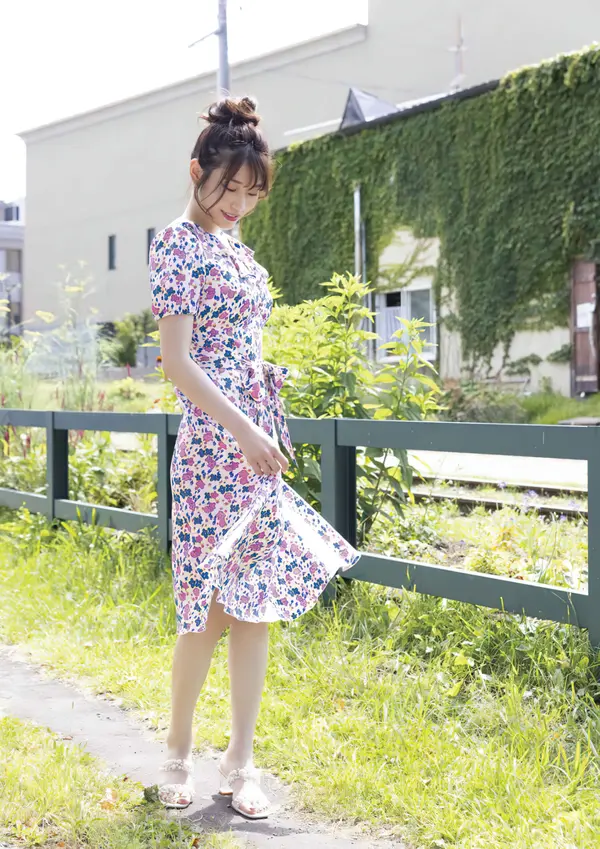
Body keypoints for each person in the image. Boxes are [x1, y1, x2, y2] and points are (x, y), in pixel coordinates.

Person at [149, 95, 361, 819]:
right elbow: (177, 364)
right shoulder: (176, 244)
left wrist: (262, 417)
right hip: (214, 448)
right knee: (205, 611)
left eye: (250, 193)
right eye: (228, 188)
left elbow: (243, 349)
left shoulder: (239, 252)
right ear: (197, 172)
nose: (238, 204)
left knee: (255, 607)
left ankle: (239, 762)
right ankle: (177, 754)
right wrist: (242, 427)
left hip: (256, 444)